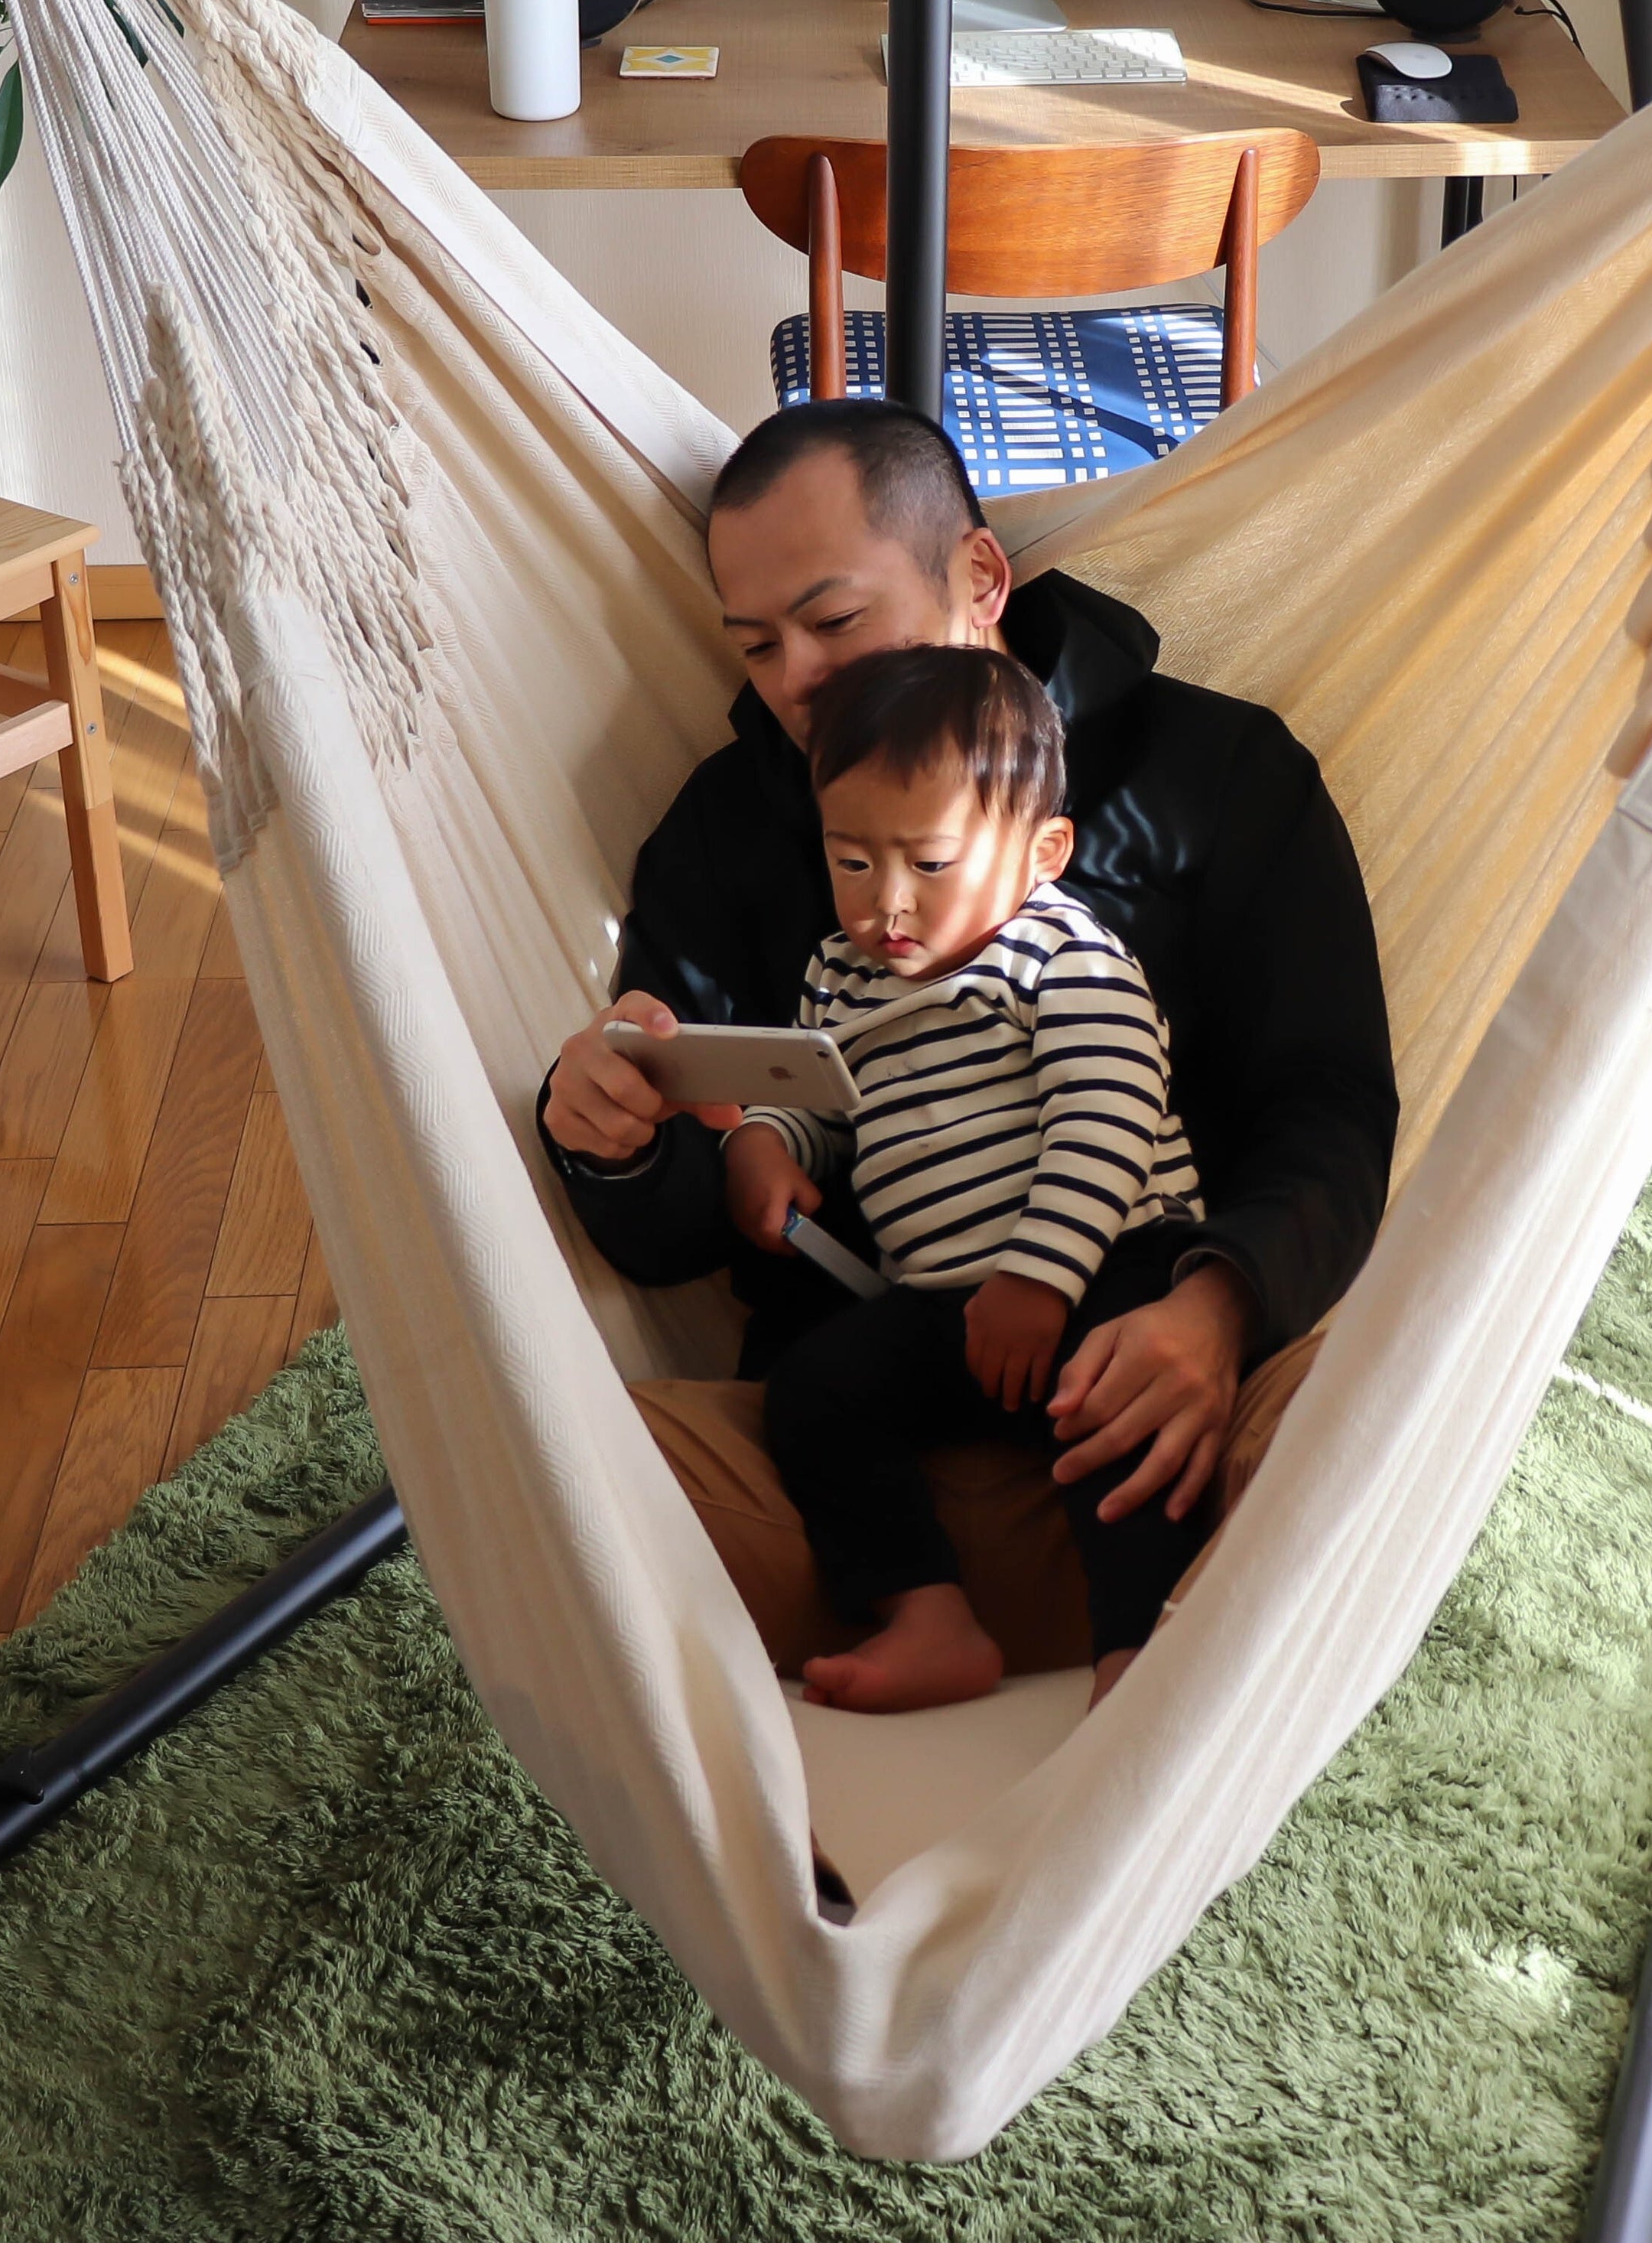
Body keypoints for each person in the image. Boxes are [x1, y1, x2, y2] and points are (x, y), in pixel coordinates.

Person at [539, 397, 1397, 1541]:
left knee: (1365, 1429)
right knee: (563, 1468)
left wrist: (1220, 1308)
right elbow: (682, 1222)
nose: (796, 680)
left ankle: (1168, 1622)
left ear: (981, 578)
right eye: (756, 645)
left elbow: (1330, 1104)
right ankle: (914, 1610)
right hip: (856, 1445)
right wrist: (618, 1145)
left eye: (834, 619)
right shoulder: (727, 831)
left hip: (1175, 1378)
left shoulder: (1216, 776)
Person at [731, 644, 1205, 1712]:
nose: (886, 905)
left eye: (931, 864)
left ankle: (1137, 1660)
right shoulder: (839, 976)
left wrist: (1041, 1276)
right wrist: (765, 1142)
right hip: (948, 1305)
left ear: (1044, 853)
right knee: (815, 1393)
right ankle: (927, 1614)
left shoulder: (1059, 952)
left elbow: (1109, 1110)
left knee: (1125, 1410)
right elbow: (819, 1103)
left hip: (1107, 1269)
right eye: (852, 861)